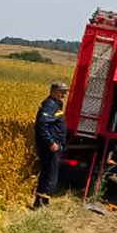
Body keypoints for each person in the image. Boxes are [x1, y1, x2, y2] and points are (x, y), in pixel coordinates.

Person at [33, 81, 68, 209]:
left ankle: (42, 201)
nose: (63, 95)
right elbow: (41, 124)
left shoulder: (57, 104)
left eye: (64, 92)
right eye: (61, 92)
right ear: (53, 91)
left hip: (55, 144)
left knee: (50, 173)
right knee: (49, 173)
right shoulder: (49, 104)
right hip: (49, 146)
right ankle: (41, 203)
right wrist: (50, 141)